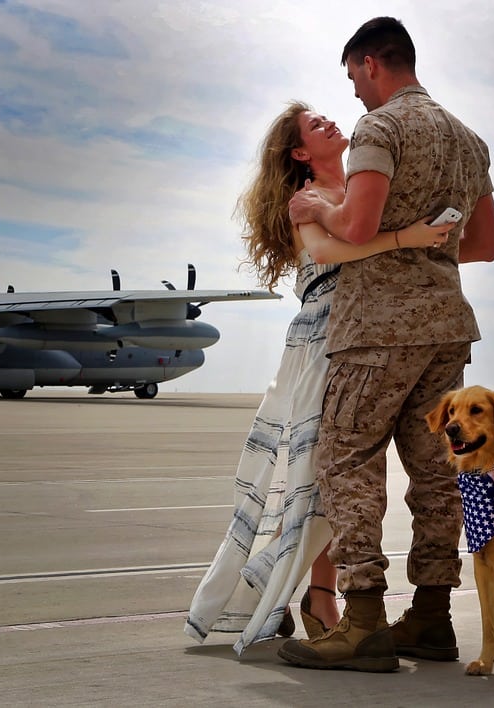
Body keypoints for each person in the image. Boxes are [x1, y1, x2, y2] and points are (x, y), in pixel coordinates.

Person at [184, 100, 452, 656]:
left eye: (327, 116)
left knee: (332, 481)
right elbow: (333, 250)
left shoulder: (366, 189)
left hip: (368, 333)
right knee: (324, 477)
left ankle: (289, 593)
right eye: (315, 125)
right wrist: (410, 239)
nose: (331, 121)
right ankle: (301, 596)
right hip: (322, 341)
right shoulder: (306, 200)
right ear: (301, 152)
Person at [276, 17, 494, 673]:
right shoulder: (470, 141)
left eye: (352, 76)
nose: (352, 94)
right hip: (445, 328)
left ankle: (365, 619)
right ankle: (432, 616)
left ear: (371, 62)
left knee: (347, 460)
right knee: (436, 474)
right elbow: (484, 245)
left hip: (376, 328)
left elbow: (359, 223)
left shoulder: (381, 128)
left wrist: (314, 211)